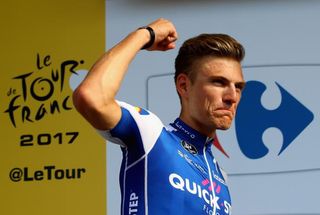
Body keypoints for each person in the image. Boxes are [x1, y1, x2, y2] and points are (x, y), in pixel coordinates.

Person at [73, 18, 245, 215]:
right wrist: (144, 35)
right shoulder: (151, 133)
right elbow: (91, 97)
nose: (232, 96)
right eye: (219, 82)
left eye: (238, 87)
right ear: (184, 86)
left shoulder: (220, 177)